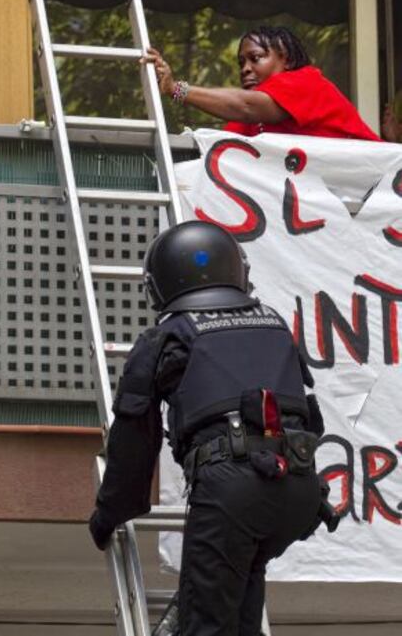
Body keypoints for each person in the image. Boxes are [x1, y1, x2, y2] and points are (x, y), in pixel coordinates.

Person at [89, 220, 334, 636]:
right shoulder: (274, 326)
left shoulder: (165, 338)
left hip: (232, 493)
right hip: (299, 491)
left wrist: (109, 514)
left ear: (160, 285)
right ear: (239, 270)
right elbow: (306, 414)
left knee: (206, 625)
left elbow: (134, 440)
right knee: (241, 607)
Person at [144, 25, 381, 141]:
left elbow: (246, 106)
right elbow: (224, 148)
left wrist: (175, 88)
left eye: (256, 58)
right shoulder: (258, 116)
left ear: (285, 59)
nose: (245, 68)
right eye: (241, 63)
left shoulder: (305, 81)